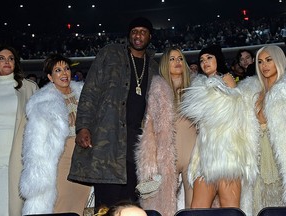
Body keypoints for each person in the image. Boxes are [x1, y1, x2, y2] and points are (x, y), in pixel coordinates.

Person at [68, 17, 159, 209]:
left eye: (143, 31)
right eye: (134, 31)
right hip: (108, 144)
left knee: (132, 206)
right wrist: (83, 127)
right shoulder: (110, 54)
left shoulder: (153, 66)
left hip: (137, 147)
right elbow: (90, 91)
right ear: (129, 34)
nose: (138, 35)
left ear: (150, 36)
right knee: (106, 207)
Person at [180, 44, 259, 213]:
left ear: (218, 59)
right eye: (201, 60)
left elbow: (234, 113)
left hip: (228, 154)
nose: (204, 62)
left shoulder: (227, 79)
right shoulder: (198, 86)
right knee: (197, 209)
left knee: (230, 209)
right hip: (204, 156)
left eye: (209, 58)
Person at [20, 54, 91, 215]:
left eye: (66, 69)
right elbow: (34, 141)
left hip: (86, 155)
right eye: (58, 70)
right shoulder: (42, 102)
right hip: (62, 156)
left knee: (84, 201)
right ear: (50, 77)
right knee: (61, 200)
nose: (64, 73)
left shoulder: (86, 93)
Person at [135, 47, 196, 216]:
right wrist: (150, 162)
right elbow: (149, 130)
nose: (177, 62)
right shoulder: (158, 90)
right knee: (165, 208)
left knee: (195, 209)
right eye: (172, 59)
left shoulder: (196, 89)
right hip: (166, 158)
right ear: (165, 64)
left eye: (180, 59)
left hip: (195, 158)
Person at [237, 45, 286, 216]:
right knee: (258, 201)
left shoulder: (284, 90)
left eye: (268, 60)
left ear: (279, 61)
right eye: (260, 61)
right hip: (257, 154)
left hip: (279, 152)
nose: (263, 65)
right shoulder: (251, 91)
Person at [0, 44, 38, 216]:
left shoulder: (29, 88)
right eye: (1, 58)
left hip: (17, 159)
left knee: (14, 209)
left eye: (10, 58)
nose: (7, 61)